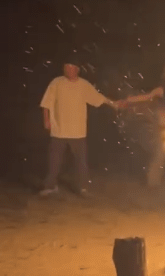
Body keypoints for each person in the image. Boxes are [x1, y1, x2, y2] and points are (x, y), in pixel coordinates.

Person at [39, 53, 122, 197]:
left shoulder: (84, 85)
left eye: (71, 68)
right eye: (66, 68)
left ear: (77, 70)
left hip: (78, 132)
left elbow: (98, 98)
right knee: (54, 160)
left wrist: (113, 103)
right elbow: (46, 103)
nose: (68, 70)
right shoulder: (56, 83)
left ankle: (83, 188)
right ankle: (50, 186)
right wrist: (46, 120)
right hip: (59, 129)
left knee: (81, 163)